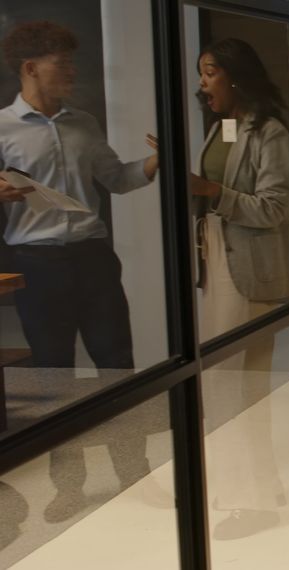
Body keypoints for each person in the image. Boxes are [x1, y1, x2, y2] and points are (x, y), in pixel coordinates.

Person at [0, 20, 160, 523]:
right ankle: (67, 488)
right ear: (30, 68)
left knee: (118, 366)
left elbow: (117, 179)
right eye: (61, 63)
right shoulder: (1, 128)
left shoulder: (85, 123)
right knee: (54, 379)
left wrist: (158, 163)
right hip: (37, 265)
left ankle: (136, 476)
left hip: (94, 259)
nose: (72, 71)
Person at [191, 37, 289, 540]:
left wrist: (211, 192)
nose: (202, 83)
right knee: (221, 384)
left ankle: (252, 501)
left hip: (250, 272)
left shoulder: (270, 133)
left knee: (240, 387)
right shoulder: (221, 128)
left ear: (235, 76)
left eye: (210, 72)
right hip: (216, 266)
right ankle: (245, 488)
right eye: (201, 73)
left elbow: (275, 210)